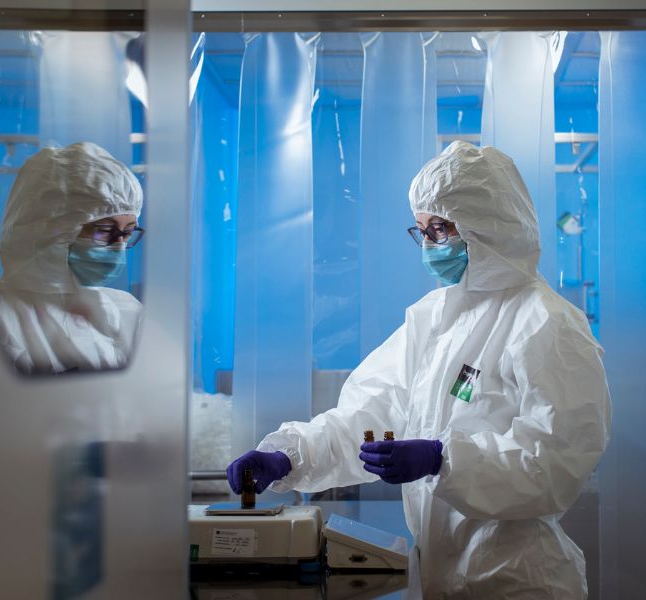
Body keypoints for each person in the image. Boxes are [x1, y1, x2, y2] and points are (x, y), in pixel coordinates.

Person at [227, 141, 611, 598]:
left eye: (440, 229)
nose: (428, 245)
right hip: (440, 574)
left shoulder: (544, 321)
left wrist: (442, 459)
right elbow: (368, 417)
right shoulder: (433, 318)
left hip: (517, 579)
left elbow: (556, 459)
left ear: (485, 226)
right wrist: (290, 456)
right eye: (423, 230)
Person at [0, 141, 145, 375]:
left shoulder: (127, 309)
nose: (119, 246)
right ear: (51, 230)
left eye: (128, 232)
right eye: (104, 230)